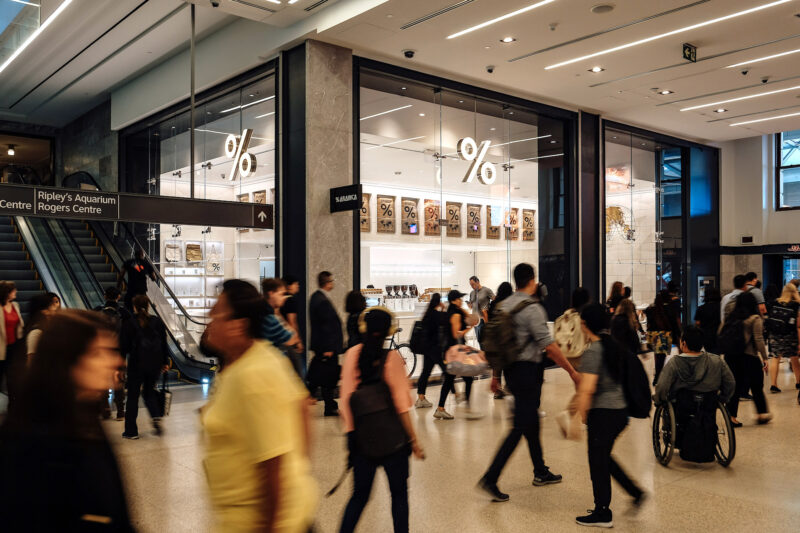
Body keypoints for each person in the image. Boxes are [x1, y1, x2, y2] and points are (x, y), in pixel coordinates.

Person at [0, 310, 134, 532]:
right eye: (99, 353)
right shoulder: (30, 445)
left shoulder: (85, 420)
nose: (116, 362)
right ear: (69, 361)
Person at [201, 280, 317, 533]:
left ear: (237, 326)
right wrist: (300, 471)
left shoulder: (253, 374)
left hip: (266, 522)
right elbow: (301, 408)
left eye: (218, 312)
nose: (209, 315)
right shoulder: (245, 362)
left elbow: (272, 462)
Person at [478, 263, 580, 502]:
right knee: (520, 426)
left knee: (530, 421)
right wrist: (572, 371)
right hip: (527, 373)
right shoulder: (533, 309)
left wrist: (496, 376)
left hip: (513, 371)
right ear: (533, 281)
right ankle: (490, 478)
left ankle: (540, 471)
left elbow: (501, 344)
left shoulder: (504, 305)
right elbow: (550, 346)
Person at [339, 307, 425, 533]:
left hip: (361, 441)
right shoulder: (393, 358)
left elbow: (346, 401)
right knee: (398, 496)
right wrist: (414, 441)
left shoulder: (351, 355)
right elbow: (402, 406)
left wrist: (352, 436)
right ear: (389, 331)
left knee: (359, 497)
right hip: (393, 442)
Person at [574, 304, 644, 528]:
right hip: (619, 412)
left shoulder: (594, 350)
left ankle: (603, 512)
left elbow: (587, 389)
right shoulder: (612, 344)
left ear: (586, 325)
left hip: (603, 415)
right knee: (604, 457)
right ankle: (635, 492)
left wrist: (581, 417)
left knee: (597, 461)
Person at [122, 295, 169, 439]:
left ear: (134, 306)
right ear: (149, 305)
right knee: (149, 392)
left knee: (132, 397)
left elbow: (123, 346)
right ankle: (155, 416)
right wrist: (165, 362)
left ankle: (131, 432)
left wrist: (120, 365)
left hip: (136, 364)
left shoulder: (129, 323)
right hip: (154, 364)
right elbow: (163, 343)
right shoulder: (157, 321)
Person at [654, 326, 736, 406]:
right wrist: (723, 398)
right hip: (708, 404)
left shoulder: (674, 362)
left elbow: (662, 386)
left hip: (681, 405)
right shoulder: (717, 361)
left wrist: (658, 400)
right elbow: (730, 383)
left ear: (684, 343)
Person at [723, 292, 771, 427]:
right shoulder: (755, 318)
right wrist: (765, 358)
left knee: (735, 388)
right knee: (756, 386)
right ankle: (762, 414)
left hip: (731, 356)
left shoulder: (732, 317)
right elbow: (759, 339)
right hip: (749, 356)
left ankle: (731, 417)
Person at [554, 287, 591, 438]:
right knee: (586, 387)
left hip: (567, 356)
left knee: (580, 387)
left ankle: (584, 420)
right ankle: (568, 414)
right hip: (580, 354)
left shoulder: (566, 315)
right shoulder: (583, 317)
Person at [434, 290, 478, 420]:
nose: (461, 301)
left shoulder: (454, 311)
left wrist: (464, 310)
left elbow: (472, 318)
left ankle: (441, 408)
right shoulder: (455, 315)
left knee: (449, 380)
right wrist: (469, 328)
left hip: (451, 351)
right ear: (454, 300)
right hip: (455, 352)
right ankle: (467, 409)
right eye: (459, 298)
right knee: (466, 379)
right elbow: (456, 334)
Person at [308, 271, 343, 416]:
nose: (333, 283)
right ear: (327, 282)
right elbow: (326, 326)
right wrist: (328, 347)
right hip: (327, 347)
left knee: (322, 376)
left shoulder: (317, 298)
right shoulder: (321, 300)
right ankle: (329, 406)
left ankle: (329, 405)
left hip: (324, 346)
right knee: (327, 377)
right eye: (332, 280)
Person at [94, 286, 130, 420]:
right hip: (118, 353)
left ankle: (105, 409)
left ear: (105, 296)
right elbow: (128, 335)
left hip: (101, 352)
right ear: (119, 297)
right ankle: (121, 411)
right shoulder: (124, 313)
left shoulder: (97, 310)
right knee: (119, 381)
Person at [765, 283, 800, 393]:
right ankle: (799, 382)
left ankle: (774, 385)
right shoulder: (795, 305)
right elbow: (798, 326)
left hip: (775, 334)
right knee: (794, 358)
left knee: (775, 358)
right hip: (790, 335)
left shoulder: (775, 302)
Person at [415, 293, 448, 409]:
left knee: (425, 372)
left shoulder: (427, 313)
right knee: (447, 371)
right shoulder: (436, 314)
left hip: (426, 348)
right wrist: (443, 308)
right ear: (438, 302)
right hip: (435, 348)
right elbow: (445, 321)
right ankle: (456, 394)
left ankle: (421, 397)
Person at [260, 278, 304, 354]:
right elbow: (293, 338)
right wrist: (278, 313)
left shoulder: (262, 310)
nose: (284, 298)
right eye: (281, 294)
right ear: (271, 294)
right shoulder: (269, 319)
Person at [645, 292, 678, 385]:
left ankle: (657, 376)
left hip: (653, 334)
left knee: (657, 356)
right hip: (664, 334)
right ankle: (658, 377)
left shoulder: (651, 309)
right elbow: (673, 323)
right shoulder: (668, 309)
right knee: (661, 358)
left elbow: (648, 320)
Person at [489, 282, 514, 399]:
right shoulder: (511, 304)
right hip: (508, 339)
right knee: (509, 364)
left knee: (497, 366)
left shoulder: (494, 304)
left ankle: (497, 391)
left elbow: (489, 320)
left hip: (495, 339)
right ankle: (509, 386)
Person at [0, 281, 24, 396]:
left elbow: (19, 325)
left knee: (13, 378)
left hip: (14, 346)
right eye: (13, 290)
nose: (16, 292)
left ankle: (12, 405)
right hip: (1, 348)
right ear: (6, 292)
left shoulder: (15, 305)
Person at [118, 247, 156, 311]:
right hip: (142, 290)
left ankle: (130, 319)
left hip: (131, 289)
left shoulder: (128, 262)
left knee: (129, 307)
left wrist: (118, 285)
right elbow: (153, 277)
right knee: (142, 307)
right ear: (142, 255)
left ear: (135, 255)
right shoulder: (147, 264)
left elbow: (121, 274)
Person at [25, 292, 61, 359]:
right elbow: (31, 360)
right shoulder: (36, 332)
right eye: (52, 303)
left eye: (57, 302)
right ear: (43, 310)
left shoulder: (56, 326)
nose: (56, 306)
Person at [694, 287, 721, 354]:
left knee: (709, 353)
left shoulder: (701, 308)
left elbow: (697, 323)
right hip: (719, 335)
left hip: (706, 335)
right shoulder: (721, 307)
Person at [468, 276, 494, 343]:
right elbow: (471, 305)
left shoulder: (486, 290)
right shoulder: (472, 293)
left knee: (485, 341)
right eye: (471, 285)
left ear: (478, 282)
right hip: (475, 320)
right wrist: (469, 304)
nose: (472, 286)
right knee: (479, 341)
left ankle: (486, 353)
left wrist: (488, 310)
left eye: (473, 284)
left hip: (483, 319)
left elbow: (495, 300)